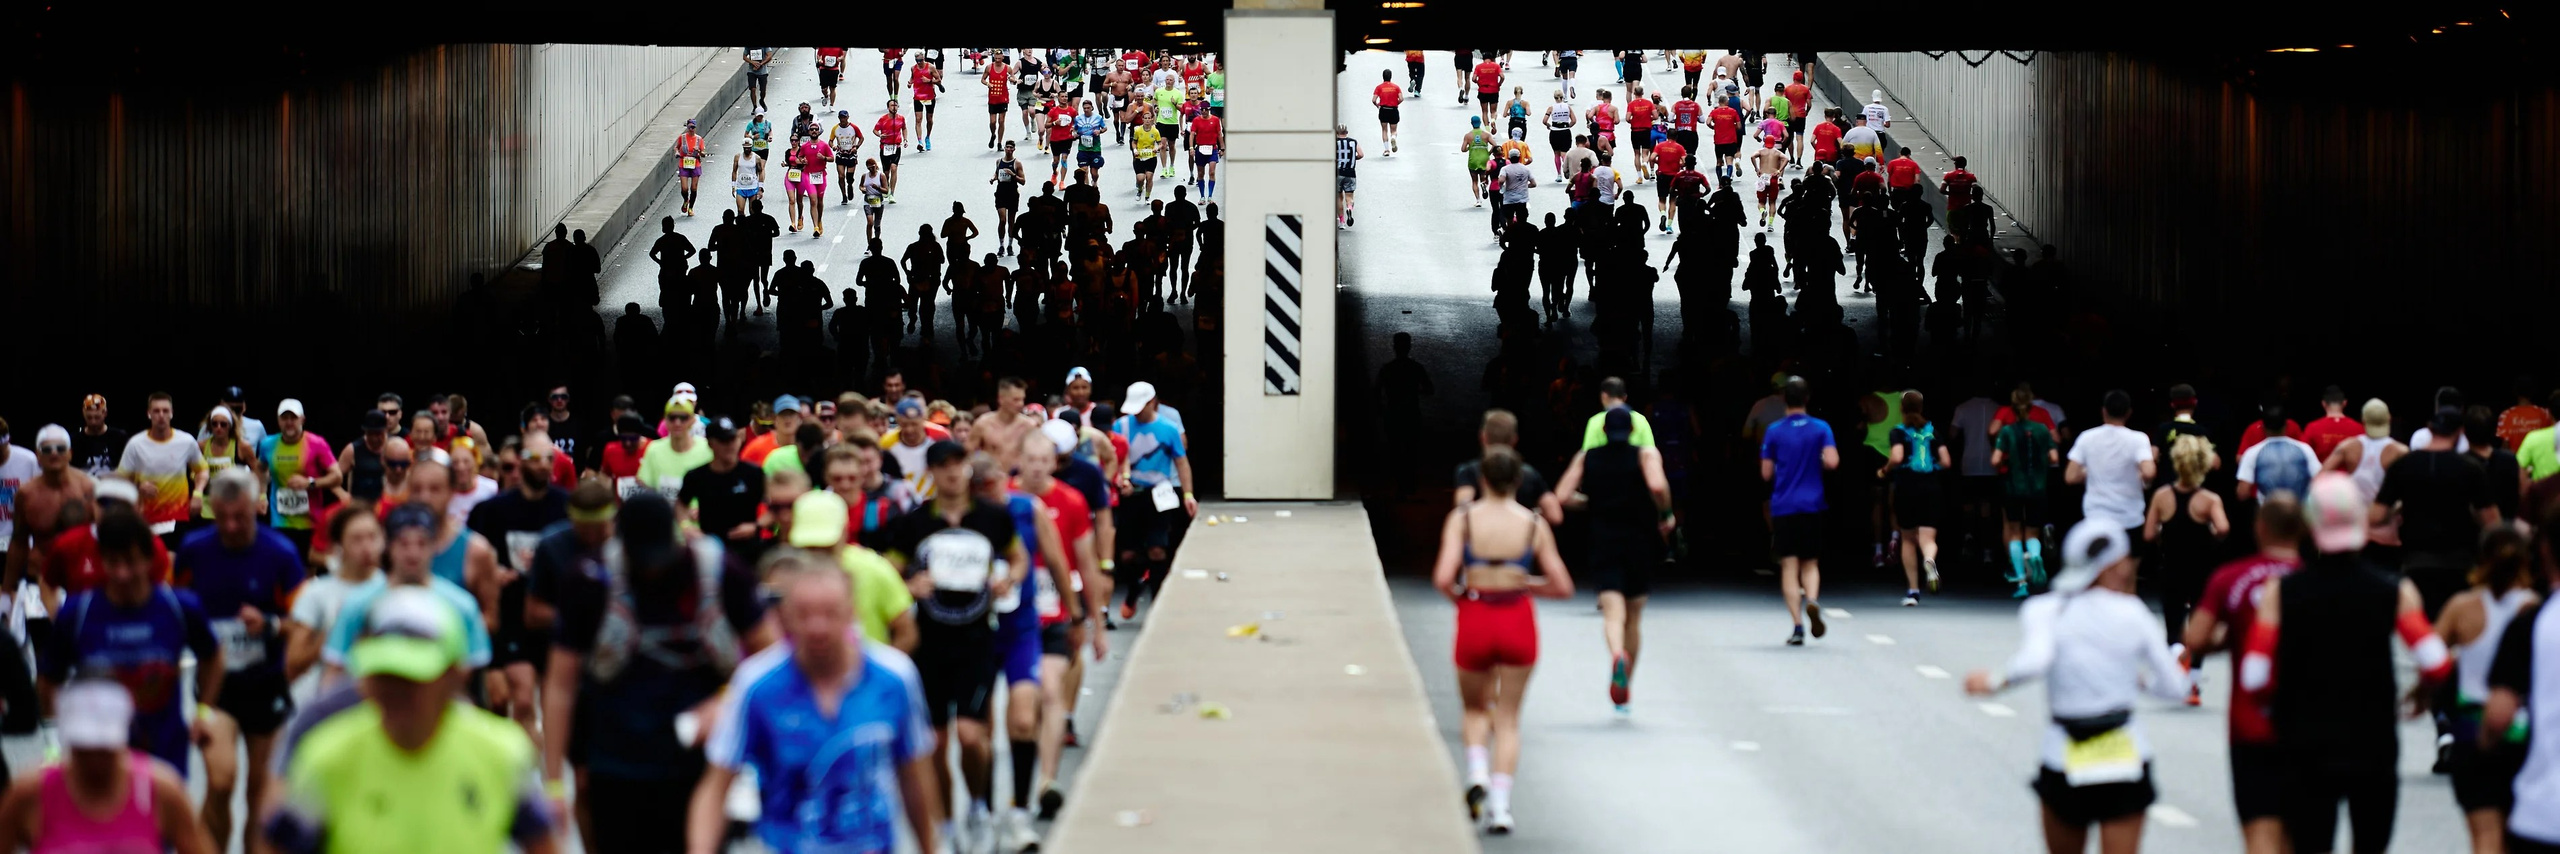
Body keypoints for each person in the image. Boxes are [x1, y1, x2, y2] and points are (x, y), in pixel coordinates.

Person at [537, 492, 767, 854]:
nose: (653, 570)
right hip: (617, 762)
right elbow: (560, 685)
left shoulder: (720, 573)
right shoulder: (589, 580)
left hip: (702, 763)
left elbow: (771, 660)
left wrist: (726, 703)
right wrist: (553, 784)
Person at [2242, 473, 2453, 854]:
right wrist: (2421, 693)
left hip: (2304, 743)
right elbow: (2437, 663)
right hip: (2372, 742)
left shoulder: (2281, 592)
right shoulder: (2396, 592)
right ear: (2360, 521)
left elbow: (2254, 675)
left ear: (2311, 524)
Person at [263, 586, 558, 854]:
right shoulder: (327, 758)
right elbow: (277, 845)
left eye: (414, 675)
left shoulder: (502, 753)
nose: (396, 691)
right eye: (385, 674)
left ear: (455, 675)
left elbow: (542, 842)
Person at [1965, 522, 2192, 854]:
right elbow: (2175, 687)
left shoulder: (2044, 610)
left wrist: (1995, 680)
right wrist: (2140, 680)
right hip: (2124, 755)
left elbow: (2036, 660)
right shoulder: (2133, 612)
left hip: (2063, 754)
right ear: (2113, 566)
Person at [693, 551, 940, 854]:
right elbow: (716, 787)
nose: (817, 627)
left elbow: (915, 775)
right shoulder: (757, 684)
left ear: (851, 612)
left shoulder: (894, 678)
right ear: (785, 616)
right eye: (805, 614)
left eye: (829, 612)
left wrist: (931, 847)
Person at [878, 442, 1027, 851]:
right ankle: (944, 823)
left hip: (977, 638)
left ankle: (978, 807)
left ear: (965, 468)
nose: (950, 474)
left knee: (972, 735)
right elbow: (888, 569)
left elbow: (1018, 558)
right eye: (941, 467)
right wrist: (908, 585)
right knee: (938, 742)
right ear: (931, 472)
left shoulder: (992, 518)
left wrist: (1007, 579)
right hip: (929, 643)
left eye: (956, 465)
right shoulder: (915, 522)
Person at [1433, 445, 1574, 835]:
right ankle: (1500, 808)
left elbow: (1444, 577)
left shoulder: (1462, 520)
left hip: (1476, 616)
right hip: (1517, 619)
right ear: (1518, 481)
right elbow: (1562, 586)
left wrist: (1463, 599)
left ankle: (1476, 770)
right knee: (1508, 719)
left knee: (1475, 708)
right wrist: (1528, 584)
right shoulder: (1533, 524)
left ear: (1482, 480)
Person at [40, 504, 222, 781]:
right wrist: (55, 738)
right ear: (101, 561)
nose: (123, 573)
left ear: (149, 559)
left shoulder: (179, 607)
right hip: (98, 758)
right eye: (113, 562)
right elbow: (47, 678)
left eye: (131, 561)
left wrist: (203, 712)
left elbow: (213, 656)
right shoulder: (78, 613)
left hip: (164, 756)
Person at [175, 468, 304, 849]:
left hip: (266, 683)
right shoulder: (195, 550)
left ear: (255, 509)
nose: (231, 526)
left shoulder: (280, 554)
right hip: (217, 689)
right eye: (224, 516)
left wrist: (268, 624)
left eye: (241, 517)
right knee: (220, 779)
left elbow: (301, 624)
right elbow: (175, 607)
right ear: (214, 508)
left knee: (259, 792)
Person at [2183, 494, 2307, 854]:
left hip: (2251, 725)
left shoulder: (2230, 578)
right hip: (2309, 725)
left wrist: (2235, 637)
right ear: (2302, 530)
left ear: (2260, 528)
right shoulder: (2317, 580)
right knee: (2298, 834)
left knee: (2260, 833)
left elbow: (2196, 638)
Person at [0, 680, 214, 853]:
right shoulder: (29, 794)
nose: (94, 757)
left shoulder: (161, 790)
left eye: (104, 746)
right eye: (84, 745)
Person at [1551, 409, 1667, 714]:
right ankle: (1626, 679)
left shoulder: (1586, 457)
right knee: (1634, 617)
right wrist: (1665, 513)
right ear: (1632, 429)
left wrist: (1592, 501)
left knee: (1612, 613)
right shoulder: (1646, 455)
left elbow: (1561, 496)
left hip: (1603, 539)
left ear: (1603, 428)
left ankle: (1617, 654)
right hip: (1640, 541)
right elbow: (1657, 486)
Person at [2439, 524, 2539, 853]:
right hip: (2520, 727)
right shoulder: (2535, 608)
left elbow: (2432, 659)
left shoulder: (2461, 607)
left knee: (2484, 835)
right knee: (2515, 833)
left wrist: (2424, 694)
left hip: (2471, 726)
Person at [2377, 406, 2503, 618]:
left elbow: (2377, 515)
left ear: (2429, 428)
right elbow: (2492, 523)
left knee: (2420, 626)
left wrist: (2399, 508)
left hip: (2415, 563)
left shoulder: (2403, 464)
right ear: (2460, 432)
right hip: (2459, 565)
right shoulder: (2470, 468)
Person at [2145, 435, 2229, 703]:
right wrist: (2212, 535)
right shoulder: (2209, 500)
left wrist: (2162, 534)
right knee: (2199, 627)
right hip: (2201, 569)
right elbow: (2224, 528)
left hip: (2171, 566)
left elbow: (2148, 534)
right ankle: (2193, 684)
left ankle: (2175, 672)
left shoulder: (2162, 496)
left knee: (2172, 624)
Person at [1110, 383, 1196, 620]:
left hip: (1160, 493)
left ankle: (1157, 602)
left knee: (1158, 549)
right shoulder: (1122, 426)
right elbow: (1114, 459)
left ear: (1151, 402)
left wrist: (1188, 494)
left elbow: (1181, 463)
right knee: (1127, 554)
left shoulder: (1168, 428)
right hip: (1131, 495)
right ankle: (1135, 586)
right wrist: (1121, 480)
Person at [1761, 378, 1837, 645]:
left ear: (1784, 399)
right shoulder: (1821, 428)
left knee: (1789, 566)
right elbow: (1832, 462)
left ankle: (1797, 627)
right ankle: (1812, 600)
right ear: (1807, 399)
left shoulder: (1773, 431)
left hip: (1784, 505)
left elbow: (1766, 472)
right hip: (1812, 503)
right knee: (1811, 563)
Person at [2067, 391, 2159, 568]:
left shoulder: (2087, 437)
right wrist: (2135, 474)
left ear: (2104, 411)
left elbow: (2071, 476)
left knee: (2099, 573)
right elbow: (2148, 471)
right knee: (2128, 573)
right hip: (2130, 518)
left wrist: (2092, 471)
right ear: (2128, 413)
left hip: (2096, 516)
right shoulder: (2138, 438)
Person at [1883, 391, 1951, 606]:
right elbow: (1947, 462)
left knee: (1908, 539)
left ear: (1902, 409)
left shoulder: (1898, 432)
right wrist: (1935, 468)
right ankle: (1929, 560)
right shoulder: (1933, 432)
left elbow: (1897, 457)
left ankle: (1913, 591)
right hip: (1931, 487)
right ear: (1921, 408)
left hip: (1907, 487)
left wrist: (1884, 470)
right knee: (1928, 539)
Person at [117, 393, 206, 549]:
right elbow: (120, 480)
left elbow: (202, 470)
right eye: (156, 411)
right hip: (146, 518)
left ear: (171, 413)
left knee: (175, 565)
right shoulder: (136, 444)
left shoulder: (186, 441)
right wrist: (138, 486)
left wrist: (198, 493)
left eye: (165, 411)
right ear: (149, 414)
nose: (161, 415)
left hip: (178, 516)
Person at [2236, 405, 2319, 504]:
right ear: (2286, 426)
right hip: (2299, 512)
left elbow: (2243, 493)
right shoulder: (2304, 449)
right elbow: (2321, 480)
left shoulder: (2252, 453)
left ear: (2263, 427)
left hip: (2269, 513)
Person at [1336, 124, 1362, 229]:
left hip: (1337, 173)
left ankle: (1342, 221)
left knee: (1338, 197)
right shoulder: (1353, 142)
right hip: (1350, 173)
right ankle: (1350, 208)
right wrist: (1353, 158)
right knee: (1349, 197)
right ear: (1346, 132)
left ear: (1337, 133)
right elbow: (1361, 154)